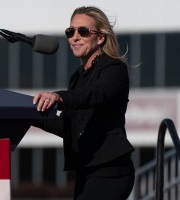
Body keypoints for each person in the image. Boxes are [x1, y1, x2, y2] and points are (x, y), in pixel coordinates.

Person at [32, 6, 135, 200]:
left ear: (100, 38)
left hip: (111, 172)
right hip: (85, 173)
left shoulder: (114, 68)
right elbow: (68, 125)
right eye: (70, 32)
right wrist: (27, 113)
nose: (75, 37)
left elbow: (95, 94)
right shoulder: (77, 77)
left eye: (83, 31)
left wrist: (59, 97)